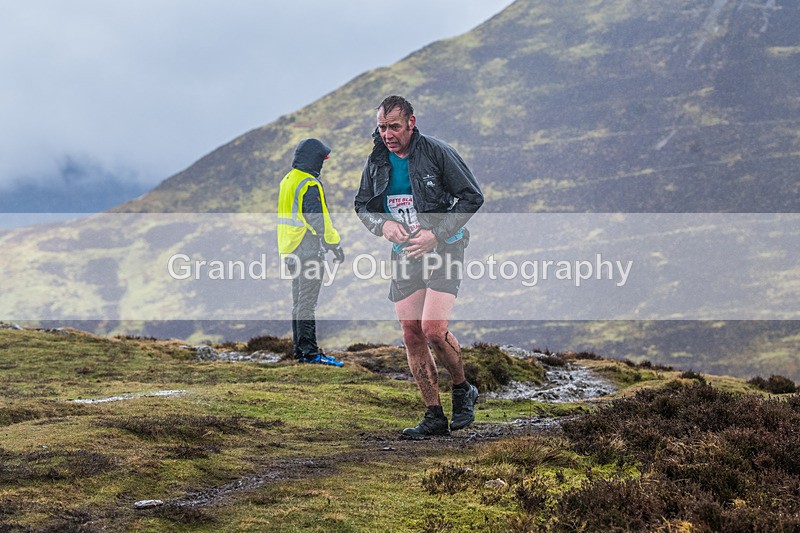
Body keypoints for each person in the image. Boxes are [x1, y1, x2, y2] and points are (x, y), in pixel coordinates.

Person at [354, 96, 484, 438]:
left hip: (445, 248)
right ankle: (433, 415)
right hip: (403, 253)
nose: (387, 134)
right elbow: (362, 205)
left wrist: (436, 234)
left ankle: (462, 388)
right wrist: (382, 226)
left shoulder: (436, 152)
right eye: (382, 127)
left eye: (394, 126)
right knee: (411, 332)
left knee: (433, 329)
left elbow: (472, 196)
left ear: (411, 122)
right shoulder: (377, 162)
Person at [277, 138, 345, 367]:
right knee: (307, 304)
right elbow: (318, 221)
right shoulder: (309, 184)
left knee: (298, 303)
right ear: (315, 159)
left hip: (290, 249)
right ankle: (310, 354)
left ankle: (300, 351)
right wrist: (334, 244)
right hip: (307, 249)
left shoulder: (288, 180)